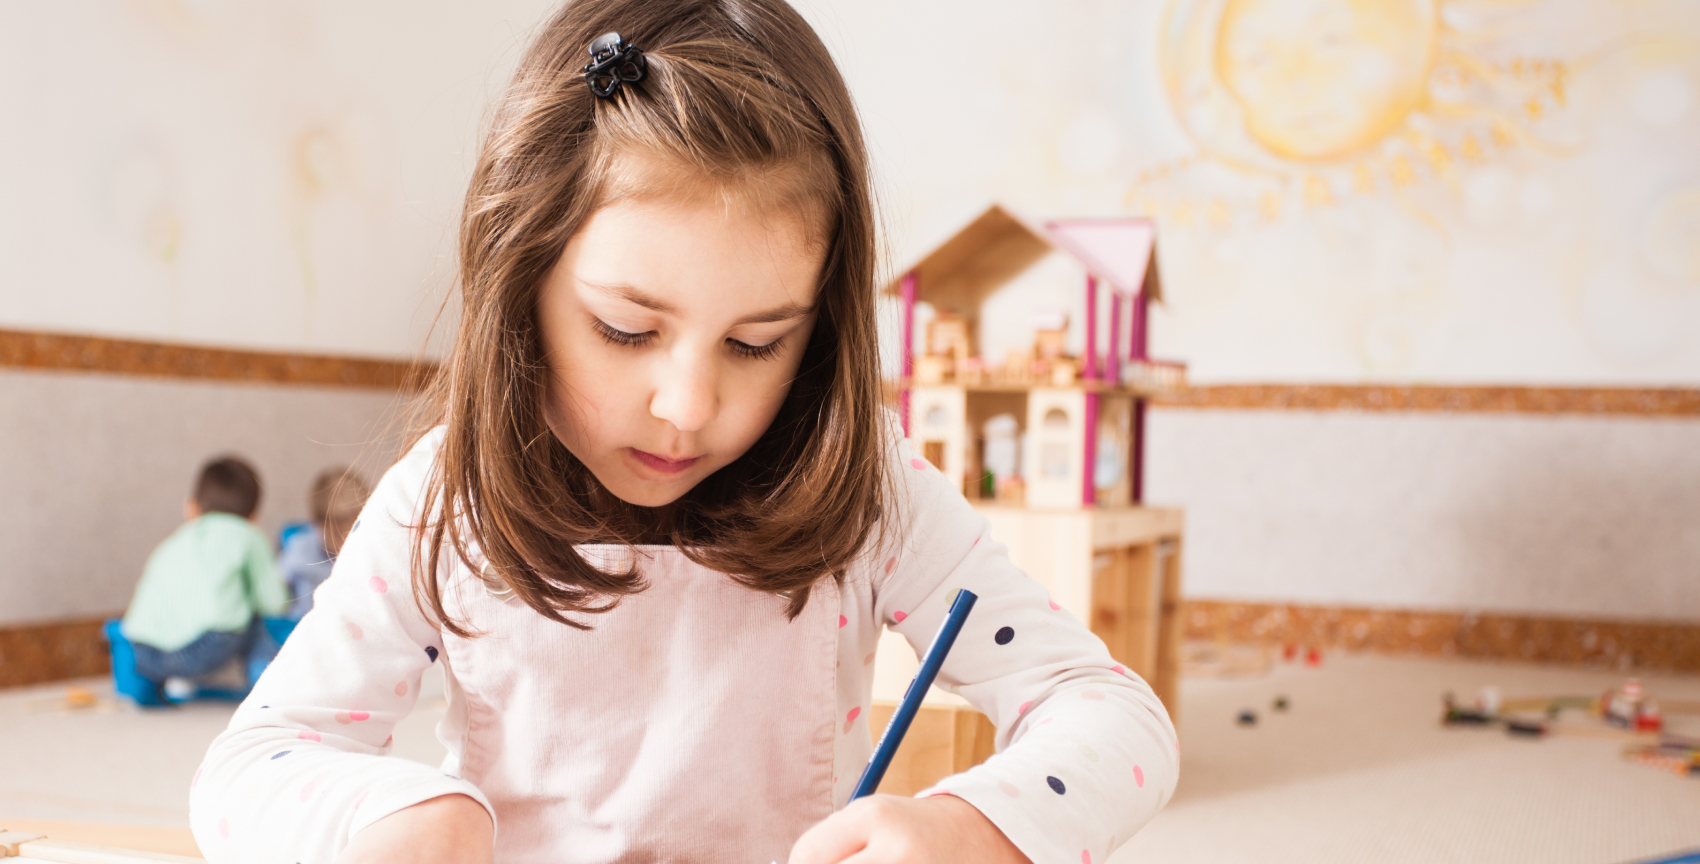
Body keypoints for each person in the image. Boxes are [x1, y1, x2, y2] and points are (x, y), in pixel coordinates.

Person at [189, 1, 1178, 862]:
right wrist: (405, 815)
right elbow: (247, 769)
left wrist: (980, 827)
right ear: (520, 279)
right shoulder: (450, 493)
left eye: (755, 342)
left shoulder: (868, 485)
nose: (687, 406)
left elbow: (1113, 715)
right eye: (625, 329)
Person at [121, 456, 289, 702]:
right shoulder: (248, 536)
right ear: (254, 516)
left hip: (143, 649)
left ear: (191, 508)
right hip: (205, 649)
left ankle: (147, 686)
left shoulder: (174, 541)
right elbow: (274, 603)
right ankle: (264, 679)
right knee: (256, 621)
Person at [278, 467, 372, 620]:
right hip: (303, 627)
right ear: (317, 524)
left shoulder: (368, 554)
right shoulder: (301, 548)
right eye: (337, 534)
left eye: (354, 531)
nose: (346, 542)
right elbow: (275, 585)